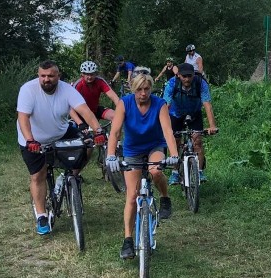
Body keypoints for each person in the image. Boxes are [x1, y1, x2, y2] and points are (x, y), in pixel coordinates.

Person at [17, 60, 106, 235]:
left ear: (58, 76)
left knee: (87, 145)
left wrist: (97, 131)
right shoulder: (28, 89)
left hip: (61, 132)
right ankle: (42, 216)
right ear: (38, 76)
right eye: (42, 76)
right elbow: (23, 118)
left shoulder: (67, 90)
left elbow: (85, 110)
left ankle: (71, 175)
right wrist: (30, 140)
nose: (46, 79)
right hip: (34, 139)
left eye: (50, 76)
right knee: (38, 175)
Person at [105, 72, 179, 261]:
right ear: (133, 89)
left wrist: (174, 155)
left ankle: (164, 198)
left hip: (155, 145)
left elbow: (167, 130)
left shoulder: (159, 104)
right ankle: (128, 240)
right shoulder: (125, 103)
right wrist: (111, 155)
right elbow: (115, 132)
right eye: (139, 89)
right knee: (131, 196)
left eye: (146, 89)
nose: (143, 93)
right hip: (132, 149)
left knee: (155, 170)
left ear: (151, 89)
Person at [163, 63, 219, 184]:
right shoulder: (172, 83)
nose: (187, 79)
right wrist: (162, 125)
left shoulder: (200, 83)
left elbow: (207, 105)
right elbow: (165, 105)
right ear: (179, 75)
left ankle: (199, 171)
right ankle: (175, 173)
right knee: (175, 142)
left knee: (197, 141)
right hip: (176, 114)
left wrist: (212, 126)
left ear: (193, 75)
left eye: (189, 76)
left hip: (194, 113)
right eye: (184, 76)